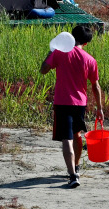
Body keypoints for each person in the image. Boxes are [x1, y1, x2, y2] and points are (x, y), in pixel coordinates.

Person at [40, 25, 104, 188]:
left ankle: (72, 175)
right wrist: (99, 108)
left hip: (62, 102)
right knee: (77, 135)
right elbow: (95, 86)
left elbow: (43, 70)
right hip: (80, 103)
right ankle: (76, 166)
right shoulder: (90, 59)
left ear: (71, 37)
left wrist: (51, 52)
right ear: (86, 43)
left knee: (66, 138)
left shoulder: (59, 53)